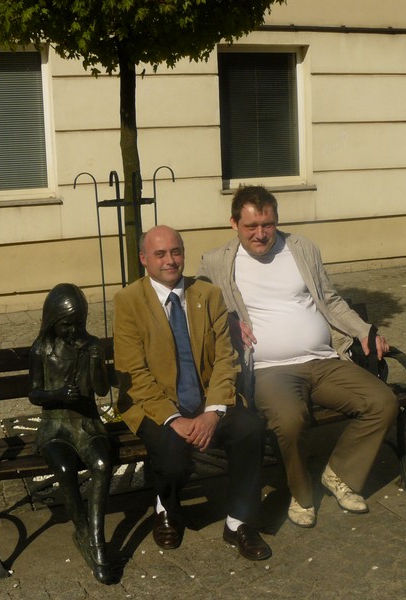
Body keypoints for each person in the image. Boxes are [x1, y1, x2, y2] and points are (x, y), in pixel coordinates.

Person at [197, 186, 398, 528]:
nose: (260, 234)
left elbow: (330, 300)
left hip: (324, 360)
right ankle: (302, 493)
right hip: (269, 370)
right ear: (234, 224)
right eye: (251, 226)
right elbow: (202, 308)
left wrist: (364, 330)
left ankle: (340, 475)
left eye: (268, 224)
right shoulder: (216, 261)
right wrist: (227, 320)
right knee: (290, 421)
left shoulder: (302, 248)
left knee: (383, 402)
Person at [113, 225, 272, 560]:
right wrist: (174, 419)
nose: (170, 261)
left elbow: (225, 359)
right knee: (171, 455)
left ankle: (239, 521)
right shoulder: (129, 301)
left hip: (206, 398)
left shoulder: (208, 295)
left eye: (176, 252)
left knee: (250, 430)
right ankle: (167, 508)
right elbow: (133, 372)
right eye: (160, 254)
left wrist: (213, 412)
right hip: (156, 402)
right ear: (144, 259)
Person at [29, 283, 114, 584]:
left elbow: (102, 390)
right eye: (66, 325)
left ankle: (97, 540)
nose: (72, 330)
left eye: (77, 323)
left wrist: (97, 362)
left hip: (87, 424)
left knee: (103, 464)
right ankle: (82, 530)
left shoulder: (90, 346)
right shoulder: (42, 349)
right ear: (52, 320)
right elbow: (34, 394)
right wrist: (58, 394)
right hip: (55, 426)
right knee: (65, 469)